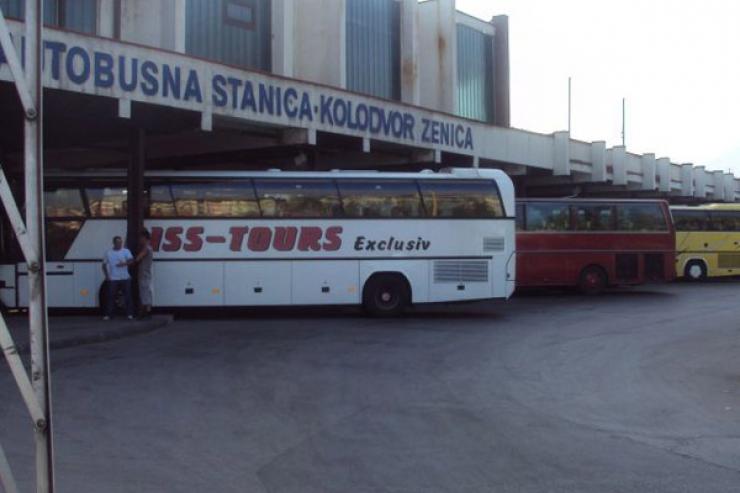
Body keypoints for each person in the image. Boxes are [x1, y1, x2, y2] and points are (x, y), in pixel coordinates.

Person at [102, 236, 134, 320]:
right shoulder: (108, 252)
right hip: (113, 278)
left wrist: (124, 264)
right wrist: (107, 276)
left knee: (128, 296)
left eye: (121, 242)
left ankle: (129, 314)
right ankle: (109, 314)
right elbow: (104, 265)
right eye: (118, 242)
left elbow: (131, 260)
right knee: (110, 296)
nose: (120, 244)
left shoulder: (126, 251)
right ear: (114, 243)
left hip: (125, 277)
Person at [132, 229, 154, 319]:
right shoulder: (149, 248)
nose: (140, 240)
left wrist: (126, 263)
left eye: (141, 237)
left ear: (145, 238)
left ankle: (145, 313)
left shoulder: (146, 248)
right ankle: (148, 311)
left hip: (144, 273)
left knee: (144, 292)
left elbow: (138, 258)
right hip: (146, 273)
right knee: (147, 292)